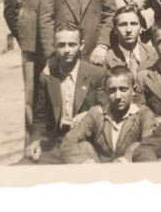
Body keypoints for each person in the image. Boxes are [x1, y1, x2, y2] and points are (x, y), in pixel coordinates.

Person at [4, 0, 64, 142]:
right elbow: (10, 8)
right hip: (33, 49)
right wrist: (26, 36)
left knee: (63, 96)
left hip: (64, 46)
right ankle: (32, 147)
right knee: (33, 98)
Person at [24, 21, 106, 165]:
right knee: (25, 166)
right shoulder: (47, 76)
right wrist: (35, 141)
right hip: (55, 143)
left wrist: (88, 114)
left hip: (84, 143)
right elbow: (40, 119)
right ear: (54, 46)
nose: (67, 50)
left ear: (81, 45)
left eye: (72, 44)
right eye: (61, 45)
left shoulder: (96, 74)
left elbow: (105, 110)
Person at [60, 66, 157, 163]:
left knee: (137, 146)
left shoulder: (143, 113)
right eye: (112, 90)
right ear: (105, 92)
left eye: (123, 89)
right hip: (99, 169)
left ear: (133, 90)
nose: (118, 96)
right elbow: (68, 141)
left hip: (129, 169)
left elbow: (150, 144)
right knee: (83, 146)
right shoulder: (97, 113)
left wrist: (127, 158)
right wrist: (86, 162)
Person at [103, 4, 158, 75]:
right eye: (123, 24)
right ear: (115, 29)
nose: (128, 30)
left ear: (141, 28)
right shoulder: (107, 58)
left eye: (133, 24)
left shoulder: (153, 54)